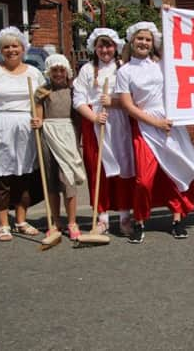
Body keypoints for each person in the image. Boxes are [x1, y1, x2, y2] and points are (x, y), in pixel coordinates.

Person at [116, 21, 194, 244]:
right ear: (132, 40)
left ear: (153, 43)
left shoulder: (161, 65)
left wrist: (167, 16)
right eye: (140, 38)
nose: (143, 42)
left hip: (170, 123)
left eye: (148, 39)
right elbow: (129, 106)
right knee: (143, 180)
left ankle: (177, 220)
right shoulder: (124, 71)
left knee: (176, 170)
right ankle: (139, 221)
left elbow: (177, 46)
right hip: (145, 126)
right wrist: (154, 123)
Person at [0, 26, 45, 241]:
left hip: (25, 130)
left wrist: (39, 118)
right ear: (0, 50)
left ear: (23, 49)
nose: (11, 50)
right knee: (1, 176)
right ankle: (4, 224)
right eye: (6, 47)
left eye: (15, 46)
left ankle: (21, 220)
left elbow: (39, 102)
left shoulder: (34, 73)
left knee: (23, 176)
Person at [73, 28, 135, 236]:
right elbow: (79, 99)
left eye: (108, 45)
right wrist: (93, 118)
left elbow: (134, 98)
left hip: (120, 124)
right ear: (95, 48)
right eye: (101, 45)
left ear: (115, 47)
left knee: (123, 168)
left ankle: (125, 216)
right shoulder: (87, 70)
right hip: (95, 124)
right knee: (97, 170)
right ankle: (102, 217)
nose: (105, 49)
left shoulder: (124, 68)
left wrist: (115, 102)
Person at [32, 54, 86, 240]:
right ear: (49, 72)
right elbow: (39, 115)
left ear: (67, 71)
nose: (58, 74)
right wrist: (37, 122)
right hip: (49, 136)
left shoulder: (73, 91)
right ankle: (55, 221)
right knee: (52, 180)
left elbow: (77, 119)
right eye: (54, 70)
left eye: (61, 70)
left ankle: (72, 221)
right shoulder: (42, 92)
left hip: (68, 136)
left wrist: (77, 141)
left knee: (68, 180)